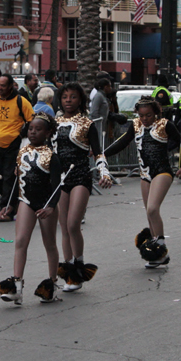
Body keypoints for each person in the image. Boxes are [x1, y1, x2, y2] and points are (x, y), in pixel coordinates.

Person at [96, 96, 181, 268]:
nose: (144, 119)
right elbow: (123, 142)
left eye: (148, 115)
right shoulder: (136, 125)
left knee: (153, 208)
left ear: (155, 113)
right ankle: (156, 253)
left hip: (162, 171)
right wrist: (102, 154)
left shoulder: (165, 125)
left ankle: (160, 247)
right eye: (141, 115)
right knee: (149, 213)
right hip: (145, 173)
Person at [0, 113, 65, 305]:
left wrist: (51, 207)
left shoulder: (52, 157)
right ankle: (16, 286)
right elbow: (17, 181)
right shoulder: (22, 152)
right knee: (20, 241)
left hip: (45, 203)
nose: (33, 132)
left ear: (48, 132)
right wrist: (9, 204)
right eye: (31, 129)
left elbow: (56, 186)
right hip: (26, 200)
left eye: (38, 129)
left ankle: (51, 284)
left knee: (49, 243)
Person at [53, 83, 101, 292]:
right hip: (60, 178)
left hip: (81, 175)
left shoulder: (87, 123)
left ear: (80, 100)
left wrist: (104, 171)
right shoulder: (53, 123)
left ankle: (79, 264)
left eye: (73, 97)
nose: (68, 101)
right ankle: (69, 271)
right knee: (63, 227)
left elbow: (98, 152)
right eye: (65, 97)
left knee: (73, 224)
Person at [0, 74, 35, 221]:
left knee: (9, 178)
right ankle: (14, 200)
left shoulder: (21, 101)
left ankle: (7, 210)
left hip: (13, 146)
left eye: (3, 85)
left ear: (10, 86)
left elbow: (32, 121)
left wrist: (21, 134)